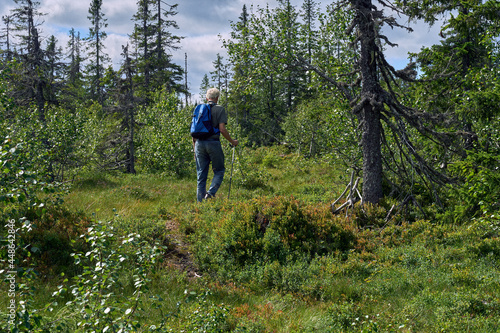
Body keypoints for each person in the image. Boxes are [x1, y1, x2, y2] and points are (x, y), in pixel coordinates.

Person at [193, 88, 238, 202]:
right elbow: (222, 130)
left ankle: (200, 204)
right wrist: (232, 141)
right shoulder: (220, 109)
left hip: (199, 143)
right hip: (213, 143)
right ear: (217, 98)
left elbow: (194, 131)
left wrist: (195, 150)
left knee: (201, 175)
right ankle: (210, 193)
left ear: (207, 97)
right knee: (219, 170)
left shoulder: (199, 109)